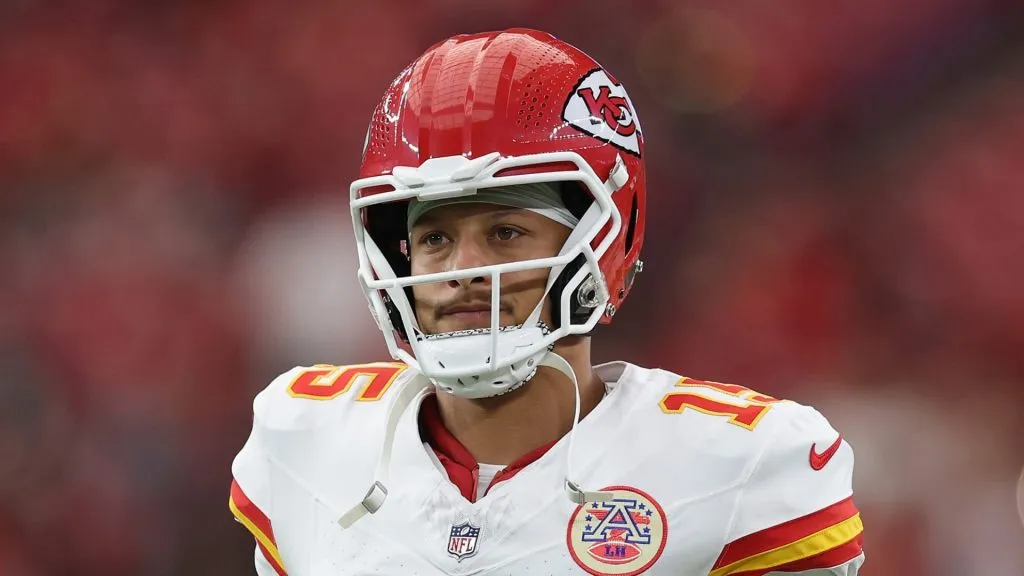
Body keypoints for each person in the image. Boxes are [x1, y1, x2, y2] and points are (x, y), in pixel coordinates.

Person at [229, 28, 864, 576]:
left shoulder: (743, 466)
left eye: (504, 233)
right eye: (436, 239)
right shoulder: (303, 440)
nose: (464, 270)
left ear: (604, 239)